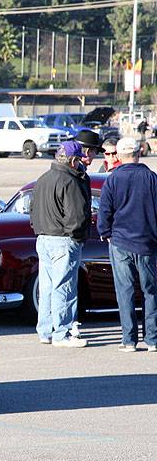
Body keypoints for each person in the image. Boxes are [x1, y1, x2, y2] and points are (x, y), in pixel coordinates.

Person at [97, 137, 157, 353]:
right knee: (151, 291)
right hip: (147, 242)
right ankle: (152, 339)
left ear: (120, 156)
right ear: (139, 153)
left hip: (120, 241)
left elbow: (105, 211)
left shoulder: (113, 180)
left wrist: (105, 233)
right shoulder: (151, 178)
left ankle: (129, 340)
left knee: (125, 291)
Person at [30, 140, 92, 347]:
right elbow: (77, 216)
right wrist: (77, 236)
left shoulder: (43, 179)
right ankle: (62, 333)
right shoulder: (70, 181)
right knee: (64, 287)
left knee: (47, 287)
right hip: (63, 240)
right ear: (73, 160)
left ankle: (45, 331)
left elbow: (32, 211)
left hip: (44, 238)